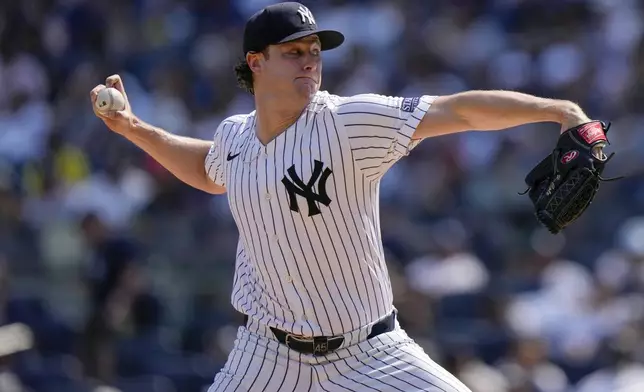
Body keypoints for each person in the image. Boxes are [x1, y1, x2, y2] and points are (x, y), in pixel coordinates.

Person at [89, 2, 599, 391]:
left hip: (370, 352)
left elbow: (458, 111)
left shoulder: (347, 122)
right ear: (256, 62)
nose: (310, 63)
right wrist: (132, 127)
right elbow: (206, 168)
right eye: (294, 53)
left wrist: (558, 110)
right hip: (266, 355)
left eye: (315, 53)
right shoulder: (236, 137)